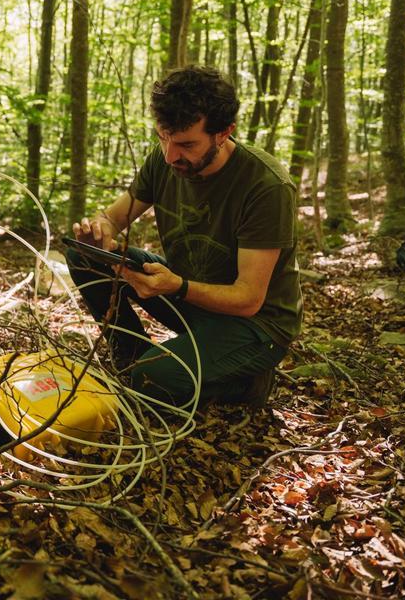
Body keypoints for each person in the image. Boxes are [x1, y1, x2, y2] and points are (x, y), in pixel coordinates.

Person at [67, 67, 302, 408]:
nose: (170, 155)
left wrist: (176, 286)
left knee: (151, 379)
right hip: (187, 292)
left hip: (256, 326)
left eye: (186, 144)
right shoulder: (166, 159)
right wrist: (98, 233)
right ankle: (131, 354)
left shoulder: (265, 186)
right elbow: (113, 218)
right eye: (163, 138)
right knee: (82, 255)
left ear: (223, 133)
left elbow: (249, 298)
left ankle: (245, 385)